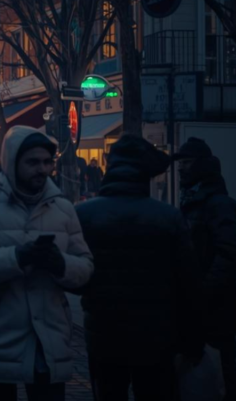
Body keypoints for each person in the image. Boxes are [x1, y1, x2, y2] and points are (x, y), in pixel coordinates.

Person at [0, 126, 94, 401]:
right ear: (12, 162)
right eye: (32, 162)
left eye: (46, 162)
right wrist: (16, 257)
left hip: (50, 340)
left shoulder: (63, 209)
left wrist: (60, 264)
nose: (42, 169)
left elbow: (86, 268)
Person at [76, 135, 202, 400]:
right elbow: (188, 282)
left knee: (109, 393)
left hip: (104, 332)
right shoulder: (168, 216)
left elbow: (77, 278)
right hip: (156, 335)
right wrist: (192, 339)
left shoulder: (85, 215)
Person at [174, 137, 236, 399]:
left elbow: (228, 253)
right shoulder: (192, 201)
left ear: (201, 166)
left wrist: (203, 289)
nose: (181, 169)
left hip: (218, 307)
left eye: (186, 163)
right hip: (201, 304)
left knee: (222, 372)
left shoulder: (218, 205)